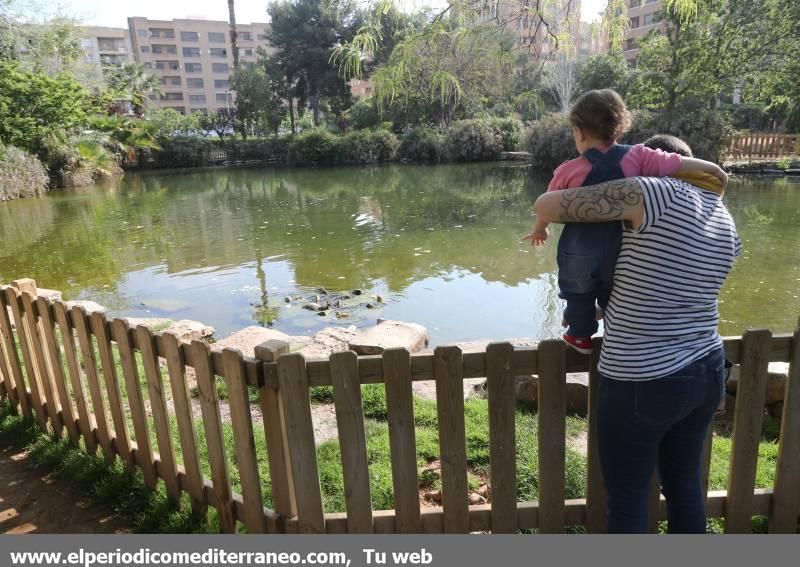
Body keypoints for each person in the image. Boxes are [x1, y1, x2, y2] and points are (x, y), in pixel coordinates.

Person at [529, 143, 740, 533]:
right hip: (707, 366)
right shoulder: (722, 215)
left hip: (643, 376)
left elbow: (548, 203)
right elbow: (672, 285)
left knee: (627, 496)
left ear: (656, 163)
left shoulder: (651, 190)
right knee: (684, 486)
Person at [524, 90, 727, 355]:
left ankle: (580, 336)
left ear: (580, 132)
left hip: (579, 251)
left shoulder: (569, 169)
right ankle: (615, 331)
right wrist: (712, 169)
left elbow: (548, 203)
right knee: (613, 291)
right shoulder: (639, 157)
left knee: (577, 293)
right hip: (619, 250)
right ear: (618, 127)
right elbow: (676, 161)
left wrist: (541, 228)